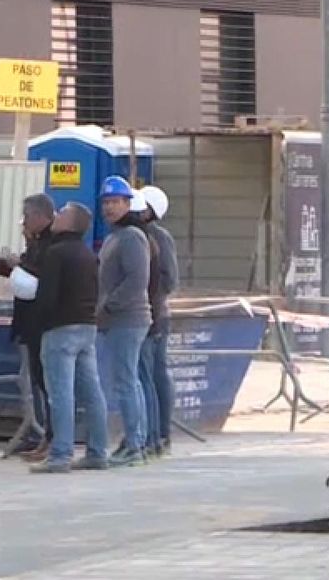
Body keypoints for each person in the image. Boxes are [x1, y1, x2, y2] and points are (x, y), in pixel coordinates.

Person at [28, 202, 110, 474]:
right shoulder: (89, 255)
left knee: (60, 394)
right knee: (92, 392)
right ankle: (98, 451)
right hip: (87, 327)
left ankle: (60, 455)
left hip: (59, 329)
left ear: (70, 223)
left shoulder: (56, 253)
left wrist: (38, 321)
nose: (57, 216)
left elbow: (47, 297)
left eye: (62, 213)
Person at [0, 194, 56, 460]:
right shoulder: (36, 245)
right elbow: (22, 271)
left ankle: (52, 437)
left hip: (42, 323)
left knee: (49, 383)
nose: (23, 224)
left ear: (39, 217)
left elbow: (38, 274)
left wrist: (19, 264)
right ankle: (44, 435)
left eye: (26, 217)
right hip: (30, 323)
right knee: (37, 380)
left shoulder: (51, 246)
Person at [95, 176, 154, 467]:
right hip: (118, 319)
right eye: (105, 203)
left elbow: (137, 280)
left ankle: (134, 444)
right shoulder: (114, 237)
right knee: (127, 381)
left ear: (127, 203)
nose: (109, 208)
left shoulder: (131, 237)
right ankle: (133, 442)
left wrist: (108, 305)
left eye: (115, 202)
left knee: (126, 382)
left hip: (127, 319)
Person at [138, 185, 179, 458]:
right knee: (154, 375)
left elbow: (169, 280)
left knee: (152, 376)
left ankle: (159, 433)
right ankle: (158, 434)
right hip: (154, 314)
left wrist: (150, 302)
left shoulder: (155, 238)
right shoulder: (142, 235)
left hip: (153, 317)